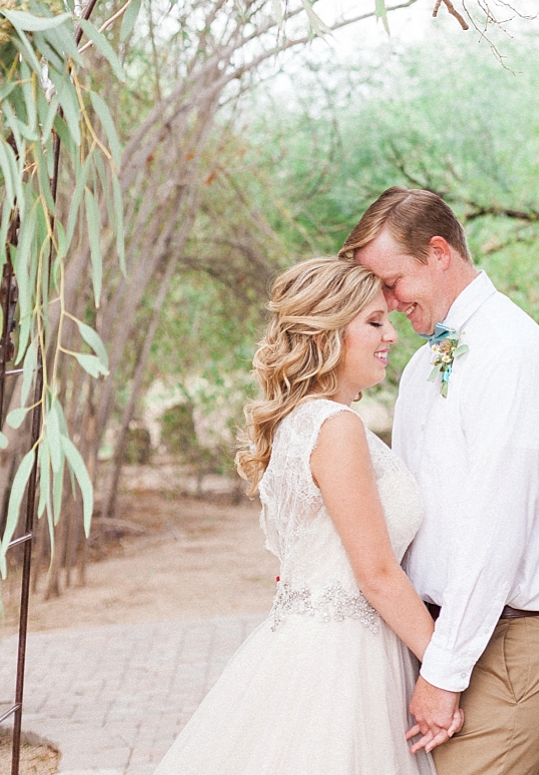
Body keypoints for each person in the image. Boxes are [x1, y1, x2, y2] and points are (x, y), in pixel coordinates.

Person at [151, 255, 458, 775]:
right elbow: (377, 573)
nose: (391, 336)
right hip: (342, 664)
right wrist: (448, 669)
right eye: (374, 322)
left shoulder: (301, 421)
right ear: (328, 332)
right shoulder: (335, 426)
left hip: (308, 644)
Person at [342, 187, 539, 775]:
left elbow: (495, 532)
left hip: (506, 649)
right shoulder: (427, 361)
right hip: (442, 637)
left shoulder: (510, 352)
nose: (388, 301)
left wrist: (443, 674)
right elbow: (411, 508)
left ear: (439, 252)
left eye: (392, 281)